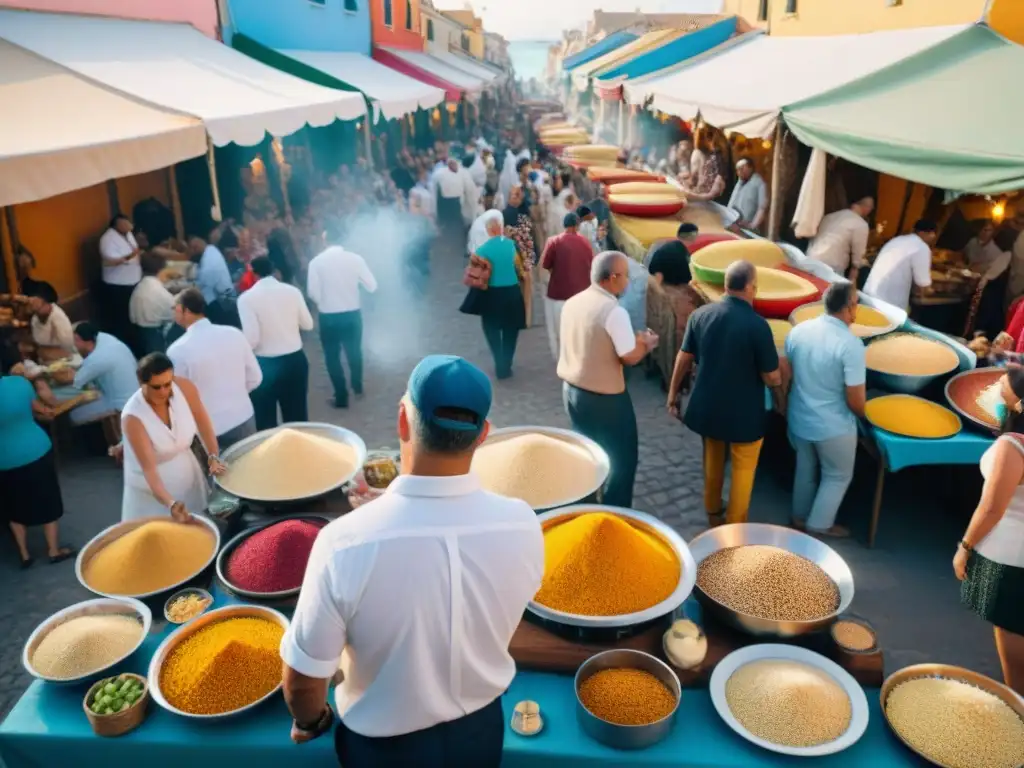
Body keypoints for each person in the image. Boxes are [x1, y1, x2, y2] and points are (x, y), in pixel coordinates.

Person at [280, 355, 543, 767]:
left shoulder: (343, 544)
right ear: (483, 435)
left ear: (403, 420)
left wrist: (311, 721)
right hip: (481, 736)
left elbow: (302, 685)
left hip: (382, 752)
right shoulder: (523, 524)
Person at [667, 261, 782, 526]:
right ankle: (734, 524)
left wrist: (673, 395)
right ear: (751, 287)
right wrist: (780, 384)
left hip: (708, 406)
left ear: (725, 286)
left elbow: (683, 358)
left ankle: (712, 510)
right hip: (745, 414)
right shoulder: (758, 326)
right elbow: (770, 376)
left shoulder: (701, 315)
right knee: (743, 470)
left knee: (713, 459)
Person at [558, 251, 658, 507]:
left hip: (572, 390)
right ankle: (616, 512)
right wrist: (646, 344)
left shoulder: (574, 302)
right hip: (605, 398)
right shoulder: (614, 311)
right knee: (622, 459)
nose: (627, 282)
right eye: (625, 276)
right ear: (612, 278)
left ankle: (588, 503)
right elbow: (629, 357)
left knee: (588, 453)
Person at [955, 367, 1024, 695]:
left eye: (1001, 388)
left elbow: (992, 508)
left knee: (1013, 655)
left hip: (1010, 560)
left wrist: (964, 546)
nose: (995, 391)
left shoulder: (1012, 447)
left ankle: (1016, 715)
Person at [784, 282, 866, 538]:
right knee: (837, 475)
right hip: (833, 427)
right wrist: (866, 417)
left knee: (805, 467)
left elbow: (786, 373)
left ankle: (799, 516)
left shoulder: (799, 331)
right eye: (856, 304)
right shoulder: (851, 345)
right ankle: (818, 525)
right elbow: (855, 399)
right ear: (849, 307)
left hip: (799, 417)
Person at [120, 353, 225, 522]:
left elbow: (204, 425)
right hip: (153, 491)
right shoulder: (133, 418)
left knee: (199, 525)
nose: (163, 391)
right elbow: (149, 470)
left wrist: (213, 455)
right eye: (156, 387)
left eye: (167, 384)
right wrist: (171, 503)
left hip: (187, 473)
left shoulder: (185, 388)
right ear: (141, 383)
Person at [0, 347, 73, 567]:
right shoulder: (19, 384)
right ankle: (53, 550)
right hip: (36, 449)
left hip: (4, 459)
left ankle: (24, 555)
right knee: (47, 499)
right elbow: (40, 409)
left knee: (13, 506)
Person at [167, 289, 262, 449]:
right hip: (243, 417)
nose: (173, 314)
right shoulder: (234, 334)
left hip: (208, 429)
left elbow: (178, 396)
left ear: (186, 311)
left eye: (175, 309)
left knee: (218, 473)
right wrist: (234, 396)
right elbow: (255, 378)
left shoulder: (177, 350)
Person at [307, 224, 378, 409]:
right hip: (352, 313)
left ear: (325, 240)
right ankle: (358, 387)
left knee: (332, 356)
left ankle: (341, 396)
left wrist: (325, 300)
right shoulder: (355, 259)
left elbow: (312, 293)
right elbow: (372, 285)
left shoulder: (316, 262)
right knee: (354, 351)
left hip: (328, 315)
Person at [239, 257, 314, 430]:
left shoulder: (246, 299)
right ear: (274, 270)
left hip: (265, 363)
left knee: (265, 421)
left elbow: (252, 339)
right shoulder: (292, 291)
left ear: (253, 272)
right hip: (294, 359)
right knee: (297, 418)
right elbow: (308, 324)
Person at [461, 216, 525, 379]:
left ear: (489, 231)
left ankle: (499, 361)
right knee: (511, 330)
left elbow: (473, 273)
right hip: (512, 292)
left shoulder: (482, 250)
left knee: (492, 328)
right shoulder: (512, 246)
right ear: (500, 229)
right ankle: (507, 362)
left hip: (492, 294)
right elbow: (520, 267)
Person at [541, 212, 594, 360]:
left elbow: (547, 265)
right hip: (581, 296)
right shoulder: (585, 243)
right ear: (577, 226)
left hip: (558, 295)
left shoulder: (554, 242)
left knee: (559, 333)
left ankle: (562, 360)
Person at [70, 322, 138, 425]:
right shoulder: (106, 339)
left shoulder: (97, 358)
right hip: (135, 395)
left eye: (75, 341)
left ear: (78, 339)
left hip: (120, 405)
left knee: (73, 415)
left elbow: (75, 382)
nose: (74, 345)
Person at [863, 219, 937, 310]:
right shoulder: (921, 247)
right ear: (923, 233)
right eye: (932, 233)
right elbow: (923, 284)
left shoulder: (898, 240)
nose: (933, 236)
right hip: (888, 302)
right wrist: (934, 291)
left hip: (869, 293)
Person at [806, 197, 875, 283]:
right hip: (830, 270)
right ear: (868, 208)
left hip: (809, 260)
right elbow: (858, 259)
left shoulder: (829, 216)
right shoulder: (861, 224)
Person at [98, 213, 142, 348]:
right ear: (117, 225)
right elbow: (110, 260)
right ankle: (125, 344)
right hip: (118, 285)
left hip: (133, 280)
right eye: (125, 223)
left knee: (133, 315)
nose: (129, 226)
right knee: (122, 318)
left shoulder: (128, 234)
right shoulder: (107, 239)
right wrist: (131, 256)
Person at [964, 220, 1011, 340]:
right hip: (989, 290)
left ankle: (975, 335)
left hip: (990, 291)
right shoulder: (1006, 255)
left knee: (982, 317)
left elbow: (990, 276)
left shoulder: (1001, 255)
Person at [129, 251, 176, 355]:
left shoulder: (139, 288)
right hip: (155, 337)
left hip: (139, 333)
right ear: (161, 270)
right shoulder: (159, 292)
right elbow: (174, 313)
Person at [188, 235, 236, 323]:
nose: (191, 252)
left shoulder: (209, 263)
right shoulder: (211, 250)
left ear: (196, 248)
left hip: (223, 302)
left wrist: (181, 286)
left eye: (192, 249)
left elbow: (201, 287)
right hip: (220, 294)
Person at [25, 283, 75, 359]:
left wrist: (42, 351)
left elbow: (67, 349)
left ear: (48, 303)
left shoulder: (58, 318)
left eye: (41, 305)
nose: (37, 310)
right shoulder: (35, 319)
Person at [727, 158, 768, 233]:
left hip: (746, 229)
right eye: (738, 170)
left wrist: (753, 225)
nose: (739, 172)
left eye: (742, 169)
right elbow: (732, 201)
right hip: (732, 225)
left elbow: (762, 208)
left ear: (750, 168)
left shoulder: (759, 183)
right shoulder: (739, 182)